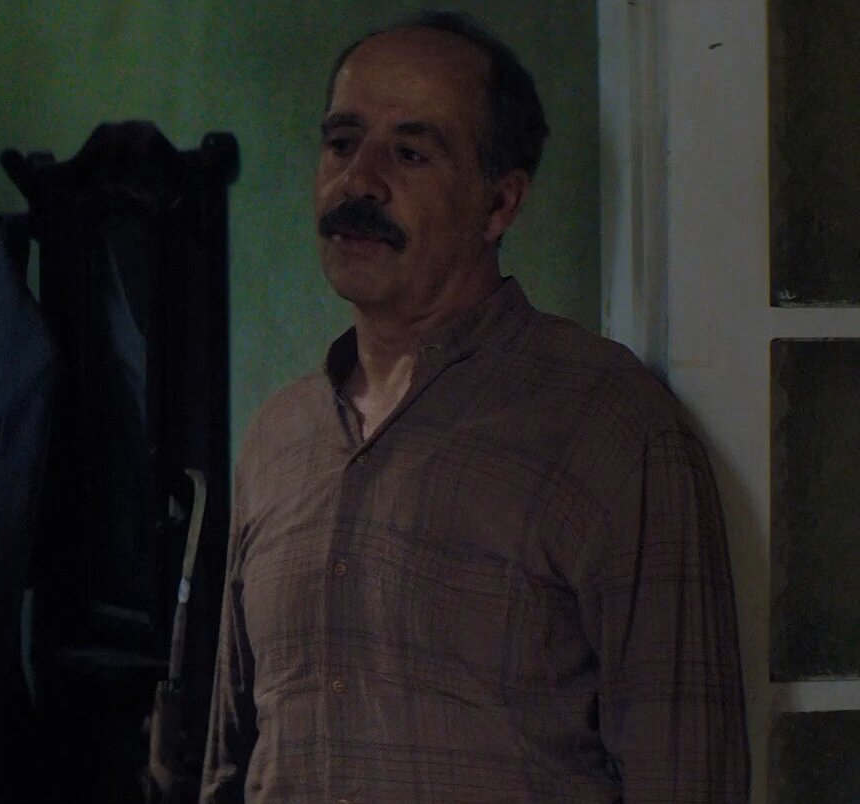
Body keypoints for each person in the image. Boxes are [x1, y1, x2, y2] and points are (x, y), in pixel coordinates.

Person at [200, 12, 748, 803]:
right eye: (342, 142)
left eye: (411, 153)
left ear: (500, 205)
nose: (360, 181)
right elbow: (231, 759)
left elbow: (687, 776)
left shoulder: (610, 428)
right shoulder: (278, 438)